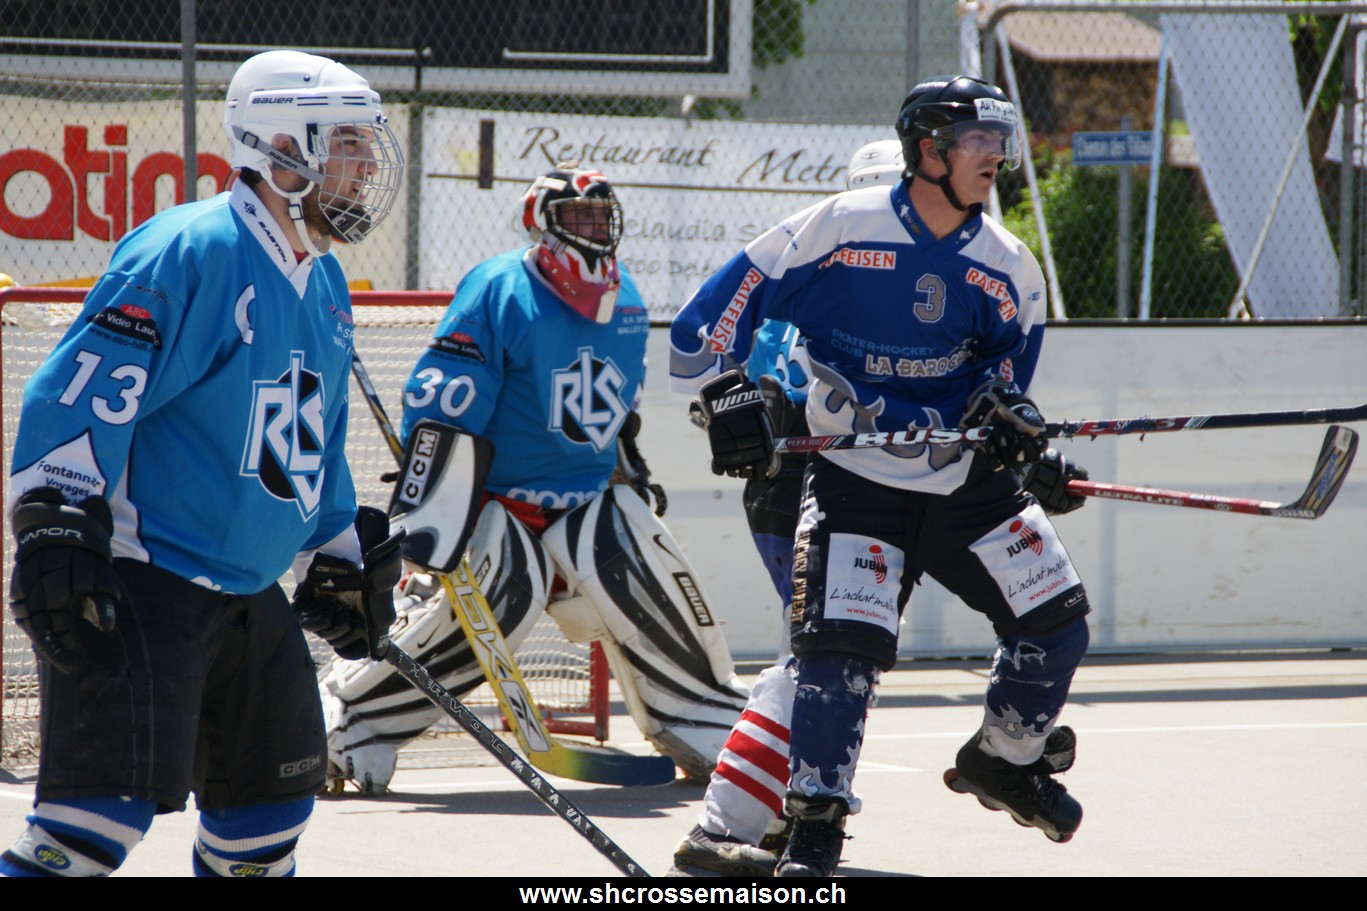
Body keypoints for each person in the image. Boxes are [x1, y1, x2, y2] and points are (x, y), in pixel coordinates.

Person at [669, 75, 1093, 877]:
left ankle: (1003, 759)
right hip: (853, 480)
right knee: (836, 656)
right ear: (927, 149)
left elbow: (1002, 383)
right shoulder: (835, 228)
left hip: (965, 487)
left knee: (1056, 618)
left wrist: (1018, 436)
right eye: (977, 140)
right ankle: (811, 828)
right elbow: (708, 320)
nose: (995, 156)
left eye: (1000, 141)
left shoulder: (1009, 266)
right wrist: (723, 393)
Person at [0, 50, 406, 877]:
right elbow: (81, 394)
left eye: (368, 146)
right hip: (143, 580)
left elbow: (314, 439)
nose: (365, 167)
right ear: (283, 148)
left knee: (265, 823)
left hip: (248, 594)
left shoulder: (325, 282)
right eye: (348, 143)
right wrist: (54, 524)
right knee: (90, 827)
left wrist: (336, 548)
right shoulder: (190, 250)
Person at [316, 163, 750, 793]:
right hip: (498, 500)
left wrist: (629, 467)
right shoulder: (499, 289)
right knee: (495, 609)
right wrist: (434, 507)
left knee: (655, 584)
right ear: (539, 223)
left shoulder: (628, 298)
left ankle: (706, 722)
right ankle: (347, 719)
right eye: (576, 216)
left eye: (599, 216)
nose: (591, 228)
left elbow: (618, 410)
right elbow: (443, 405)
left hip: (587, 496)